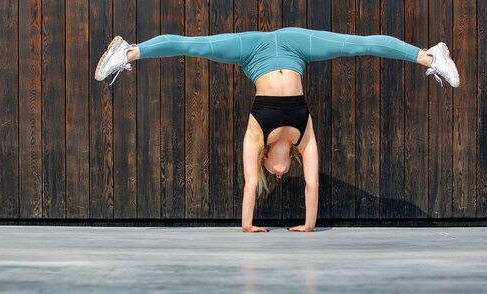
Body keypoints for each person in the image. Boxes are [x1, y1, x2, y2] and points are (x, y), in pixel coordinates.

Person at [94, 27, 460, 233]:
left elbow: (250, 184)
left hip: (260, 48)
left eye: (272, 173)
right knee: (194, 47)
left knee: (360, 44)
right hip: (285, 49)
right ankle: (127, 52)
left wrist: (248, 225)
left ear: (267, 161)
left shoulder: (256, 137)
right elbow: (312, 184)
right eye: (280, 175)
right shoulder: (304, 137)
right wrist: (308, 225)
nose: (278, 175)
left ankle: (431, 56)